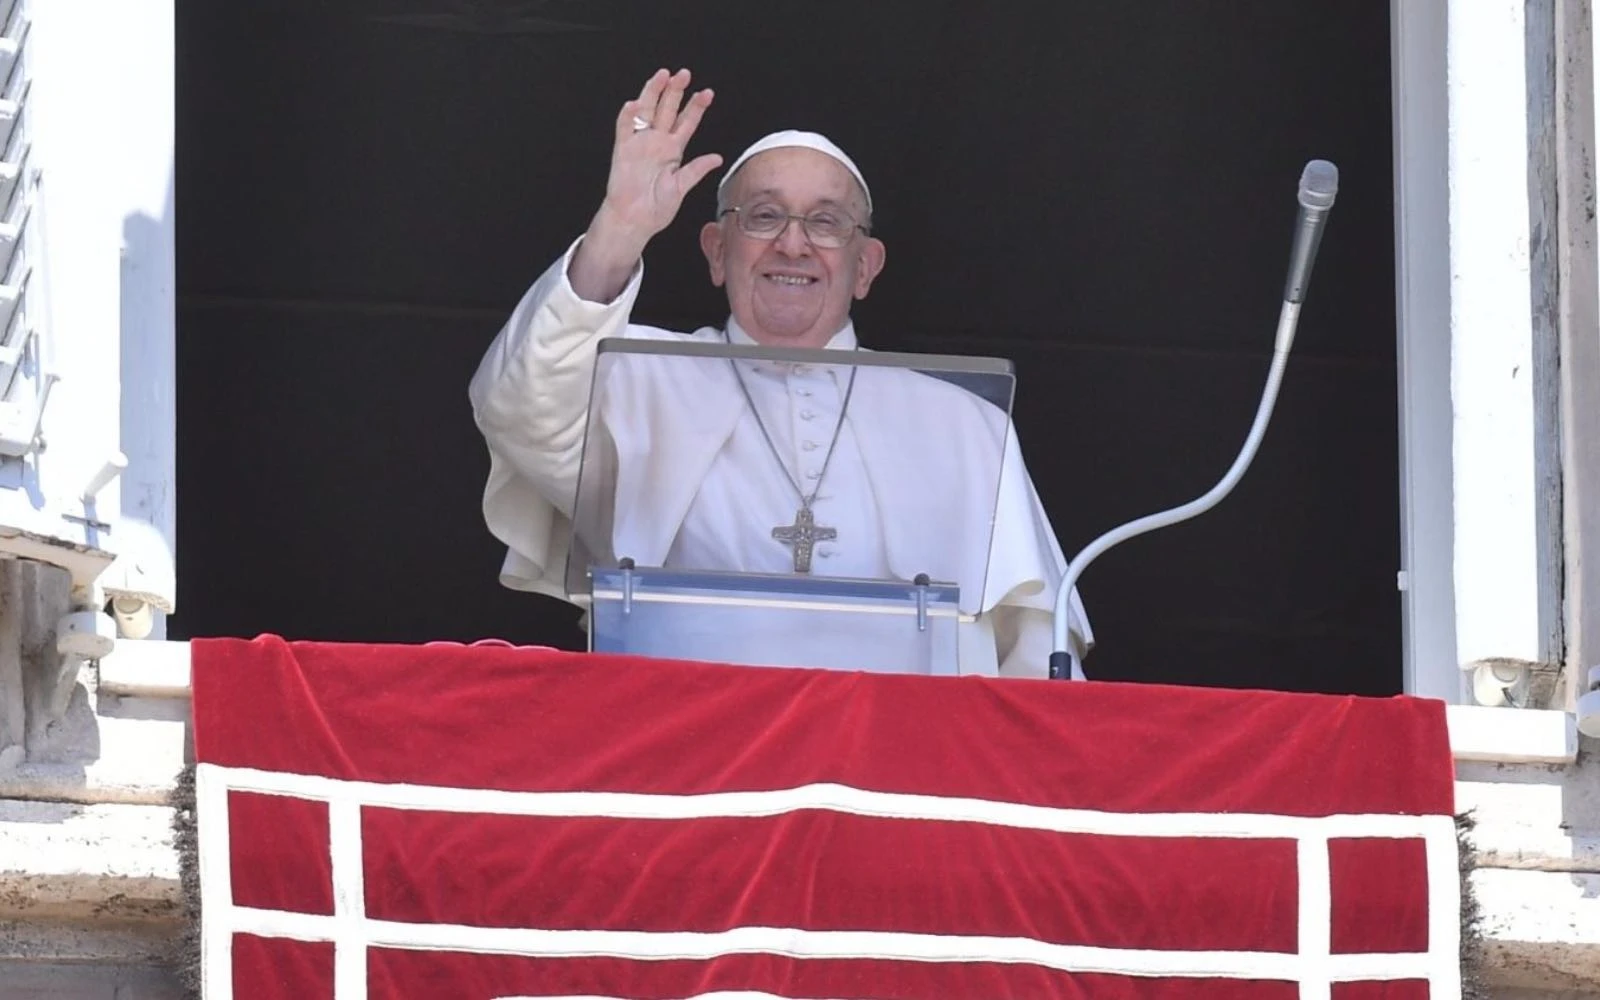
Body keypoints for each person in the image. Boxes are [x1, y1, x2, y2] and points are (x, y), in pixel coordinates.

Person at [468, 68, 1092, 679]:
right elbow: (519, 406)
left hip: (903, 763)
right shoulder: (634, 375)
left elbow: (1037, 652)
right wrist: (619, 231)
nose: (793, 245)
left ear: (866, 267)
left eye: (825, 222)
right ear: (717, 251)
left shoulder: (963, 425)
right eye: (763, 216)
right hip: (686, 753)